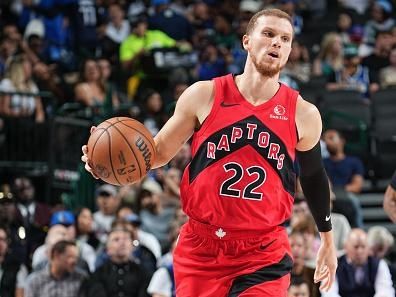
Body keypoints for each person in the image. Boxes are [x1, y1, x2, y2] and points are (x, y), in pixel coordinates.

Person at [82, 8, 337, 296]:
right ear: (246, 41)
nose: (277, 42)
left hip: (263, 250)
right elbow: (157, 153)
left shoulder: (303, 113)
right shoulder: (204, 95)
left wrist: (327, 240)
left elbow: (314, 176)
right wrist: (104, 161)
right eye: (268, 34)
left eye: (285, 38)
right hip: (202, 246)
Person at [321, 228, 394, 297]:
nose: (360, 251)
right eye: (356, 247)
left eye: (363, 247)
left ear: (368, 248)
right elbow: (329, 293)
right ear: (346, 247)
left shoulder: (379, 264)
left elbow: (386, 291)